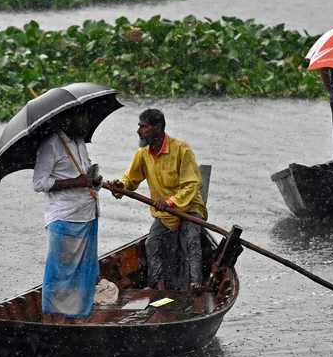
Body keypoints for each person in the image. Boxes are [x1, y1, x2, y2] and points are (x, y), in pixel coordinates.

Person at [108, 109, 208, 292]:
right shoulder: (143, 154)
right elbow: (130, 179)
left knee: (191, 239)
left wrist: (171, 202)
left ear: (158, 128)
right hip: (165, 214)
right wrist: (120, 186)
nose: (139, 131)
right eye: (139, 126)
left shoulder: (181, 150)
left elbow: (192, 185)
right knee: (152, 243)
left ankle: (196, 285)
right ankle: (158, 288)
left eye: (143, 127)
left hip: (189, 209)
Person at [32, 113, 103, 321]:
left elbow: (85, 176)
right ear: (66, 121)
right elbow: (39, 183)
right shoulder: (52, 145)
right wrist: (76, 182)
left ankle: (77, 319)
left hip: (87, 215)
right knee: (61, 274)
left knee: (83, 274)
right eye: (81, 119)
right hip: (65, 218)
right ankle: (54, 321)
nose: (85, 122)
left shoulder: (80, 143)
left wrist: (94, 180)